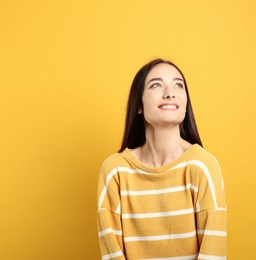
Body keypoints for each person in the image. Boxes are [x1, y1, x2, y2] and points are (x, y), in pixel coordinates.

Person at [97, 58, 227, 259]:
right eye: (156, 85)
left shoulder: (202, 165)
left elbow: (213, 251)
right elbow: (111, 251)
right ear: (138, 105)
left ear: (185, 104)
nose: (170, 93)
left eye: (178, 85)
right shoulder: (115, 170)